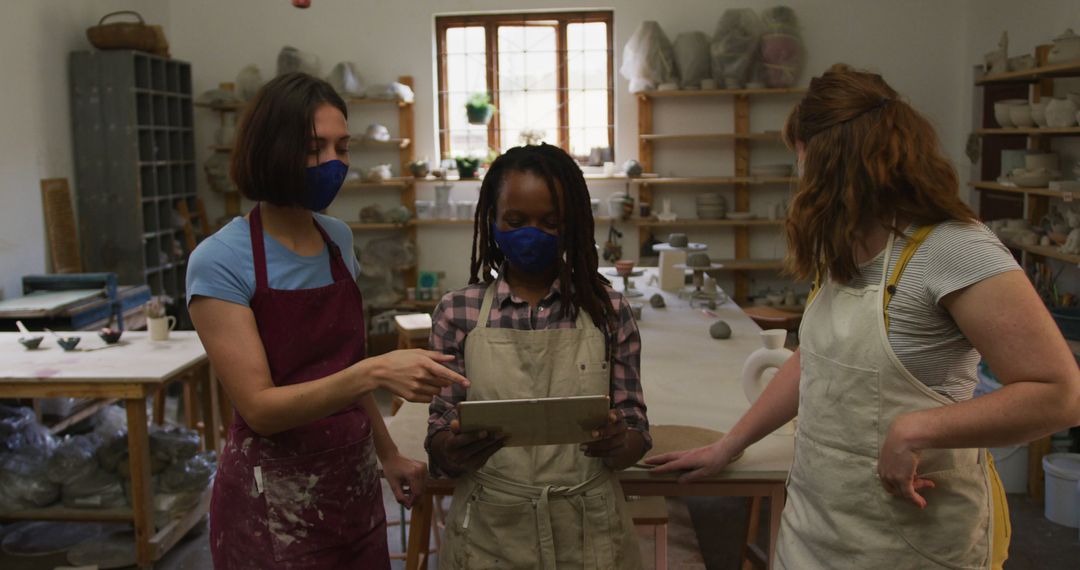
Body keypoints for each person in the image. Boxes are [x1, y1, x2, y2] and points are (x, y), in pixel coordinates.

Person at [648, 64, 1080, 570]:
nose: (799, 175)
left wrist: (917, 429)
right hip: (815, 528)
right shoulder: (848, 247)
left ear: (829, 161)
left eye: (801, 157)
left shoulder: (955, 249)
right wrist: (731, 444)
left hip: (911, 542)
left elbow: (1060, 395)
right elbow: (814, 361)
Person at [186, 72, 468, 569]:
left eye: (342, 147)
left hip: (351, 486)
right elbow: (261, 409)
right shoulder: (220, 259)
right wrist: (376, 371)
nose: (333, 163)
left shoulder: (337, 238)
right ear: (271, 149)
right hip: (269, 500)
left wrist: (387, 453)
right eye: (315, 147)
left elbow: (344, 363)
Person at [425, 144, 650, 569]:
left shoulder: (607, 311)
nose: (531, 233)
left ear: (574, 226)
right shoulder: (459, 313)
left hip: (589, 532)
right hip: (490, 533)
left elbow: (636, 429)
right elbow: (439, 437)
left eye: (550, 223)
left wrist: (620, 442)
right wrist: (453, 448)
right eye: (515, 221)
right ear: (492, 220)